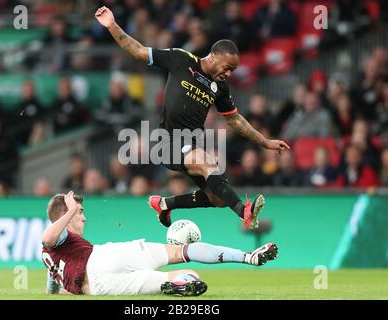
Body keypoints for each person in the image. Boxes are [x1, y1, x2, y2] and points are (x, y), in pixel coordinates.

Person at [95, 7, 290, 230]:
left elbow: (235, 120)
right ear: (214, 56)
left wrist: (265, 142)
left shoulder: (220, 88)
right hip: (169, 142)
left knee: (217, 198)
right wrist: (112, 25)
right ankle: (243, 212)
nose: (228, 74)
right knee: (209, 164)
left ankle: (165, 204)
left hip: (192, 144)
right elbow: (138, 50)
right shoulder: (181, 59)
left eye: (233, 71)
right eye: (227, 68)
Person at [41, 191, 278, 296]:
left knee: (189, 276)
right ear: (66, 215)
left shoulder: (52, 256)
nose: (83, 216)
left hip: (98, 289)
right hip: (103, 257)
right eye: (79, 212)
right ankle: (247, 257)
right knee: (180, 252)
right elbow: (49, 237)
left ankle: (176, 286)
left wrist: (53, 292)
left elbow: (53, 279)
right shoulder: (57, 238)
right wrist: (71, 208)